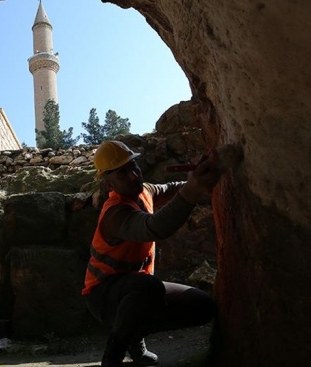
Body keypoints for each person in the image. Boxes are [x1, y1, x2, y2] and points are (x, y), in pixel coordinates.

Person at [82, 140, 224, 367]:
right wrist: (193, 189)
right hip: (103, 296)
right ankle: (114, 356)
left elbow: (173, 188)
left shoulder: (144, 191)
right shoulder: (115, 213)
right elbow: (155, 227)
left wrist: (198, 176)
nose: (133, 176)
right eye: (122, 173)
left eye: (133, 166)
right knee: (148, 287)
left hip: (133, 289)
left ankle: (134, 338)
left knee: (203, 307)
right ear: (108, 182)